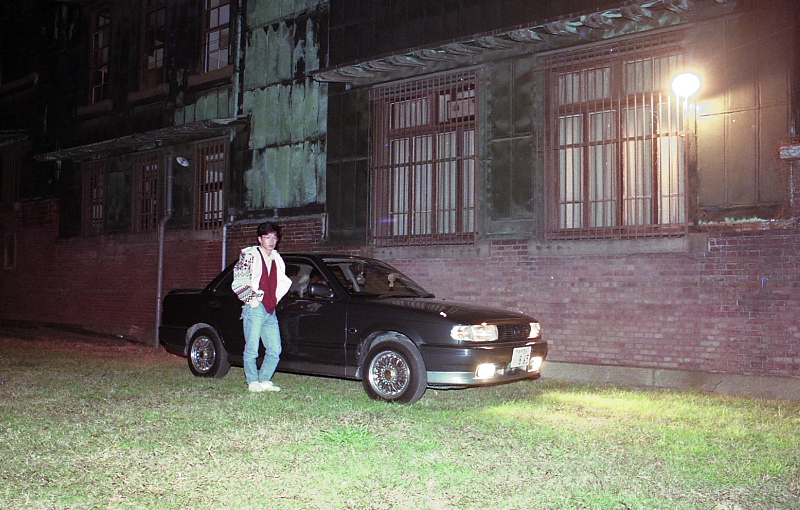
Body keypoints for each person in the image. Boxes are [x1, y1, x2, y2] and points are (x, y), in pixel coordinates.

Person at [231, 222, 292, 392]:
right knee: (252, 348)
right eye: (267, 237)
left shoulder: (277, 259)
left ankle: (264, 380)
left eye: (274, 237)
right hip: (255, 308)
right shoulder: (249, 255)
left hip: (270, 309)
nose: (271, 241)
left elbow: (281, 282)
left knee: (275, 349)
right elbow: (239, 281)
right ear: (260, 239)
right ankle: (252, 382)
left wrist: (275, 300)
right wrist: (253, 301)